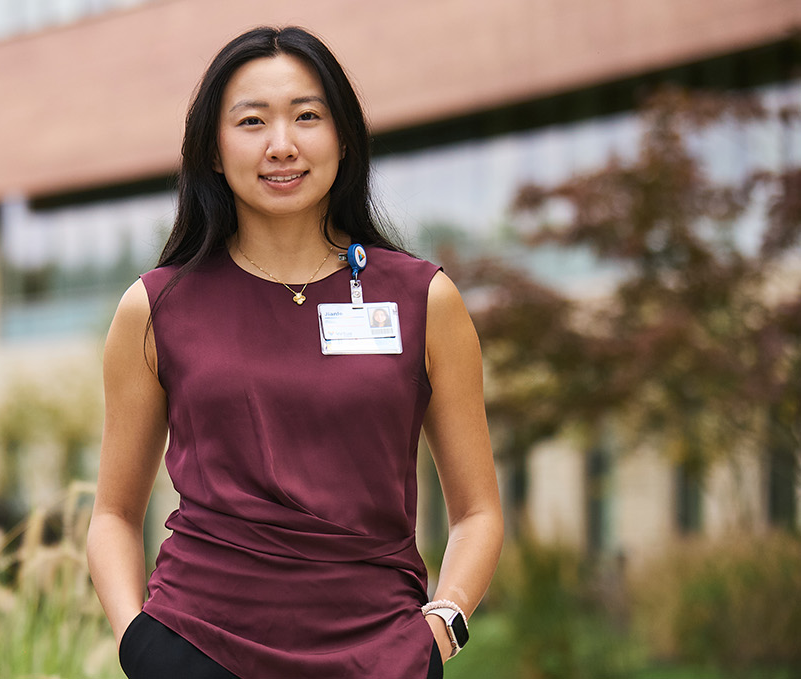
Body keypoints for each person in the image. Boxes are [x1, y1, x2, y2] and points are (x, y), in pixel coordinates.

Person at [86, 26, 503, 679]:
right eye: (251, 121)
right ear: (214, 151)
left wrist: (438, 630)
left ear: (343, 139)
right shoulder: (155, 307)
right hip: (195, 650)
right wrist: (136, 639)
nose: (281, 144)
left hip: (380, 659)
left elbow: (477, 509)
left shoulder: (424, 298)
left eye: (306, 116)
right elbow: (112, 512)